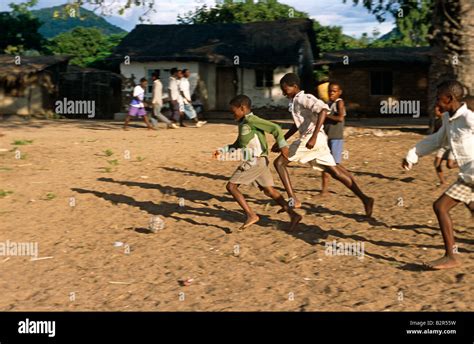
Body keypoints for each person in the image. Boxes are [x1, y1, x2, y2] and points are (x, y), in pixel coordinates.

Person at [272, 73, 374, 217]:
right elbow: (297, 125)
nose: (283, 93)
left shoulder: (304, 98)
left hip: (312, 139)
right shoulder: (295, 102)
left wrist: (313, 137)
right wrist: (282, 140)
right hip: (317, 140)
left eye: (285, 89)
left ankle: (293, 198)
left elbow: (323, 110)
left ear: (295, 87)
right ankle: (365, 199)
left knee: (279, 163)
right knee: (335, 172)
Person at [402, 80, 474, 270]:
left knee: (440, 207)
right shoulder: (447, 119)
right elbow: (437, 139)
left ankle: (452, 256)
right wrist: (413, 154)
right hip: (468, 174)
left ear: (449, 98)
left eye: (438, 97)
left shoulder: (468, 118)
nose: (436, 101)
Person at [213, 95, 302, 232]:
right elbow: (238, 143)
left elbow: (276, 128)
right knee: (269, 191)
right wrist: (223, 150)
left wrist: (283, 146)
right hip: (259, 160)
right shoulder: (243, 123)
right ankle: (294, 215)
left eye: (233, 111)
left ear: (242, 108)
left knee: (231, 187)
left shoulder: (252, 120)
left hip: (255, 160)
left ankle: (251, 215)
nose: (232, 115)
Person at [321, 82, 346, 195]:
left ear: (339, 92)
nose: (331, 93)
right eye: (330, 91)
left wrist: (326, 116)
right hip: (328, 137)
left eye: (334, 91)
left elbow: (340, 118)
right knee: (325, 163)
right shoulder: (328, 103)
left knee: (335, 165)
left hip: (336, 138)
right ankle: (324, 190)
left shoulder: (339, 102)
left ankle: (351, 180)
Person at [433, 105, 456, 185]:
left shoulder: (449, 117)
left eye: (437, 110)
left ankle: (466, 163)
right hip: (444, 145)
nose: (435, 112)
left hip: (453, 144)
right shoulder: (437, 121)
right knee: (436, 163)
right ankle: (443, 181)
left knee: (449, 165)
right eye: (435, 111)